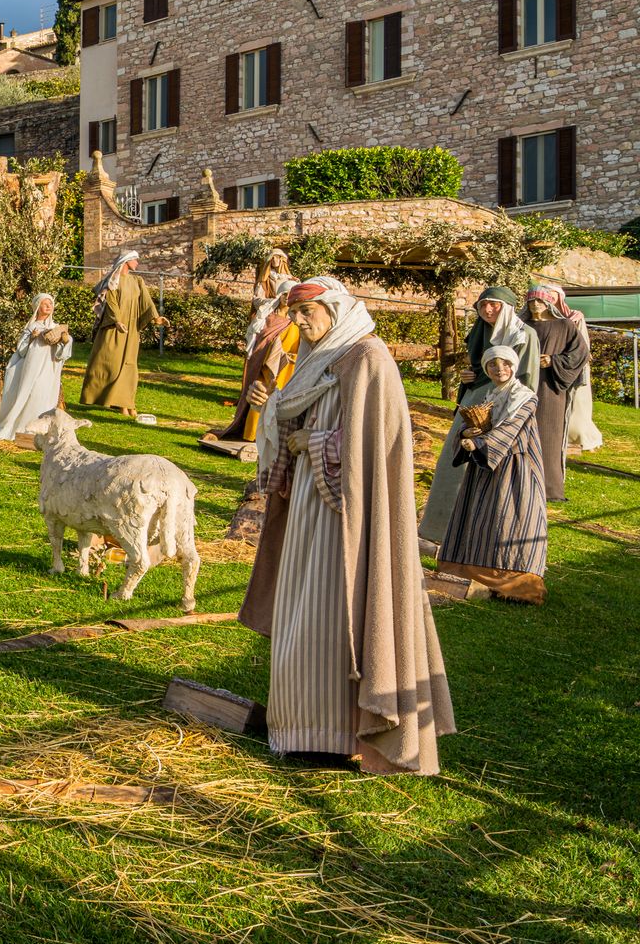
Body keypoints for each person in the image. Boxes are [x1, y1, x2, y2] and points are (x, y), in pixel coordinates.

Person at [242, 277, 454, 775]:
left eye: (307, 312)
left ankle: (340, 736)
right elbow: (298, 419)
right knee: (299, 621)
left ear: (334, 308)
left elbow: (370, 449)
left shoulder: (367, 358)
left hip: (348, 525)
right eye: (293, 314)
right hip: (307, 518)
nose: (299, 322)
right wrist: (271, 407)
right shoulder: (319, 359)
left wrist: (312, 445)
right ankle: (298, 729)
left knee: (335, 619)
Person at [434, 346, 547, 604]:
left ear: (513, 366)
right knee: (480, 518)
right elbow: (471, 423)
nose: (500, 370)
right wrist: (465, 434)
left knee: (511, 519)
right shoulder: (490, 395)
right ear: (486, 370)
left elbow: (511, 427)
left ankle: (516, 584)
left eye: (505, 364)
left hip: (516, 468)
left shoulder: (525, 398)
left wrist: (481, 444)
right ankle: (469, 572)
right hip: (485, 468)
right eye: (493, 366)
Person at [80, 250, 167, 416]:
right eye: (135, 259)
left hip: (131, 330)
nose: (138, 263)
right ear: (126, 261)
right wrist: (116, 321)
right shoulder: (114, 281)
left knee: (129, 366)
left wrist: (156, 318)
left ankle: (126, 404)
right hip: (114, 329)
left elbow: (147, 302)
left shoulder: (137, 281)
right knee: (109, 364)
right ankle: (114, 401)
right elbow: (111, 302)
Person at [523, 285, 587, 501]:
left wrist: (553, 361)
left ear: (548, 303)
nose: (535, 305)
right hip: (522, 387)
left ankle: (550, 489)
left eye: (539, 301)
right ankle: (521, 482)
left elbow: (580, 354)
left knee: (549, 436)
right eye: (531, 302)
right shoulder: (520, 325)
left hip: (550, 389)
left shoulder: (564, 326)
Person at [215, 280, 300, 443]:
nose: (286, 298)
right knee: (258, 395)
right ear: (279, 296)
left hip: (287, 367)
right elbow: (258, 339)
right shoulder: (267, 316)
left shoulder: (296, 320)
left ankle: (275, 436)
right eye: (284, 294)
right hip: (263, 364)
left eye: (290, 295)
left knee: (280, 400)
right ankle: (251, 434)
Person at [0, 294, 73, 440]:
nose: (49, 306)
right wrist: (31, 338)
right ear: (37, 307)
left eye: (51, 303)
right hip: (32, 369)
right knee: (31, 395)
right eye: (45, 303)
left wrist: (66, 341)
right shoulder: (31, 327)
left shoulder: (56, 328)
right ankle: (25, 429)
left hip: (49, 369)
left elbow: (63, 355)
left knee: (45, 396)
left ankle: (42, 431)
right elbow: (21, 350)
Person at [544, 284, 602, 452]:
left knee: (577, 401)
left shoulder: (574, 317)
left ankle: (579, 437)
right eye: (546, 294)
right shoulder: (543, 317)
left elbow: (582, 343)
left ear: (560, 296)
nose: (549, 297)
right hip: (550, 364)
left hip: (572, 363)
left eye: (552, 294)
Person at [461, 285, 539, 400]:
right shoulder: (479, 333)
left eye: (493, 304)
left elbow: (527, 373)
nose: (487, 310)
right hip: (476, 393)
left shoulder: (523, 334)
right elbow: (478, 365)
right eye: (482, 305)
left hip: (508, 397)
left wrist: (519, 403)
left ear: (507, 307)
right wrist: (467, 375)